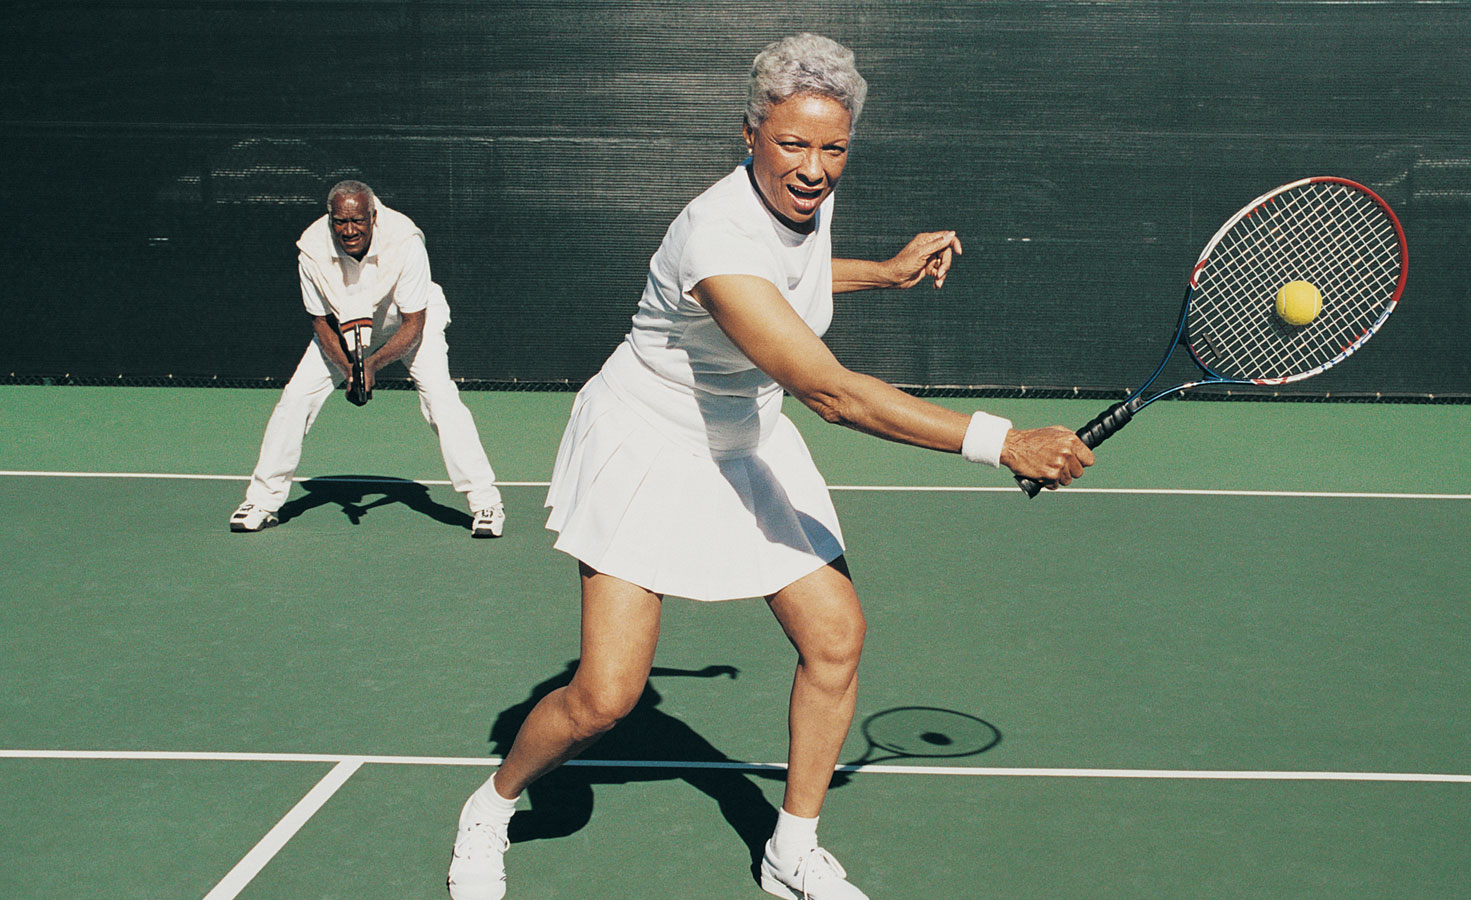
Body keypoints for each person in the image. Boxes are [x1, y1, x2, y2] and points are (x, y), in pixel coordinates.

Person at [447, 34, 1092, 900]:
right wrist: (1003, 441)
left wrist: (884, 273)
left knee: (835, 638)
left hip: (745, 432)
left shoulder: (803, 198)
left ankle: (791, 850)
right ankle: (491, 806)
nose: (815, 168)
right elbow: (832, 393)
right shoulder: (713, 232)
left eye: (834, 148)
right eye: (793, 144)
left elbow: (793, 272)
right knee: (605, 697)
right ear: (748, 134)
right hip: (651, 442)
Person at [229, 181, 506, 538]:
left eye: (357, 221)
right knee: (295, 399)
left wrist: (371, 365)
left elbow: (414, 324)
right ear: (330, 219)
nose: (349, 230)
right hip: (342, 327)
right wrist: (349, 370)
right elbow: (320, 322)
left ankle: (486, 503)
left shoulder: (405, 241)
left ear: (373, 216)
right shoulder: (310, 249)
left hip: (406, 321)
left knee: (441, 398)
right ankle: (262, 502)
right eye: (340, 222)